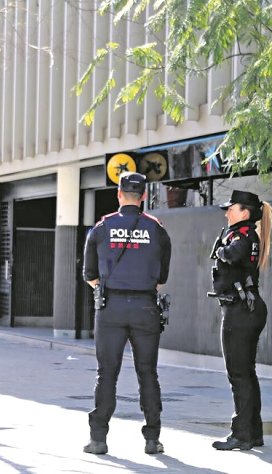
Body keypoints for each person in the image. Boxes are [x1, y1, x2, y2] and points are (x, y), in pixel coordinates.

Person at [81, 172, 172, 456]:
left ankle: (98, 439)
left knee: (106, 373)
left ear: (119, 195)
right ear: (143, 196)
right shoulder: (156, 229)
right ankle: (152, 439)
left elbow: (89, 275)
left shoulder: (102, 228)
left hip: (111, 309)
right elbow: (163, 277)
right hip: (146, 307)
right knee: (148, 373)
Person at [208, 190, 272, 451]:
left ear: (245, 212)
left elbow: (232, 255)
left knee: (238, 374)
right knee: (246, 373)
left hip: (241, 310)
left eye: (231, 208)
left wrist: (220, 249)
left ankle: (242, 434)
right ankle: (253, 432)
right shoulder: (245, 234)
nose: (227, 213)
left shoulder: (244, 236)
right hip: (246, 308)